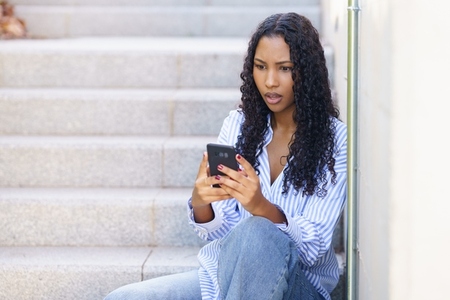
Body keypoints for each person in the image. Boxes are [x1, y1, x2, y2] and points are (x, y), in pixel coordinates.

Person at [105, 12, 346, 300]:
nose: (270, 81)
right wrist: (201, 201)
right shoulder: (240, 124)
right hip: (225, 277)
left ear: (306, 71)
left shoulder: (334, 140)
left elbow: (313, 247)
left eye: (284, 68)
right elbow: (224, 233)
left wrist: (259, 205)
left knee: (259, 232)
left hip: (297, 287)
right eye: (260, 67)